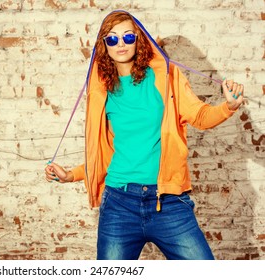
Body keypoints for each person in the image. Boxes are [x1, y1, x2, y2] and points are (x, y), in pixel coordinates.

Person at [45, 10, 244, 260]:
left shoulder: (167, 77)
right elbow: (106, 152)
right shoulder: (103, 90)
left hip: (169, 202)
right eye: (112, 38)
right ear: (104, 45)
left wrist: (229, 107)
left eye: (128, 37)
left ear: (138, 39)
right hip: (119, 203)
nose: (120, 44)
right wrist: (71, 175)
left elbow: (200, 116)